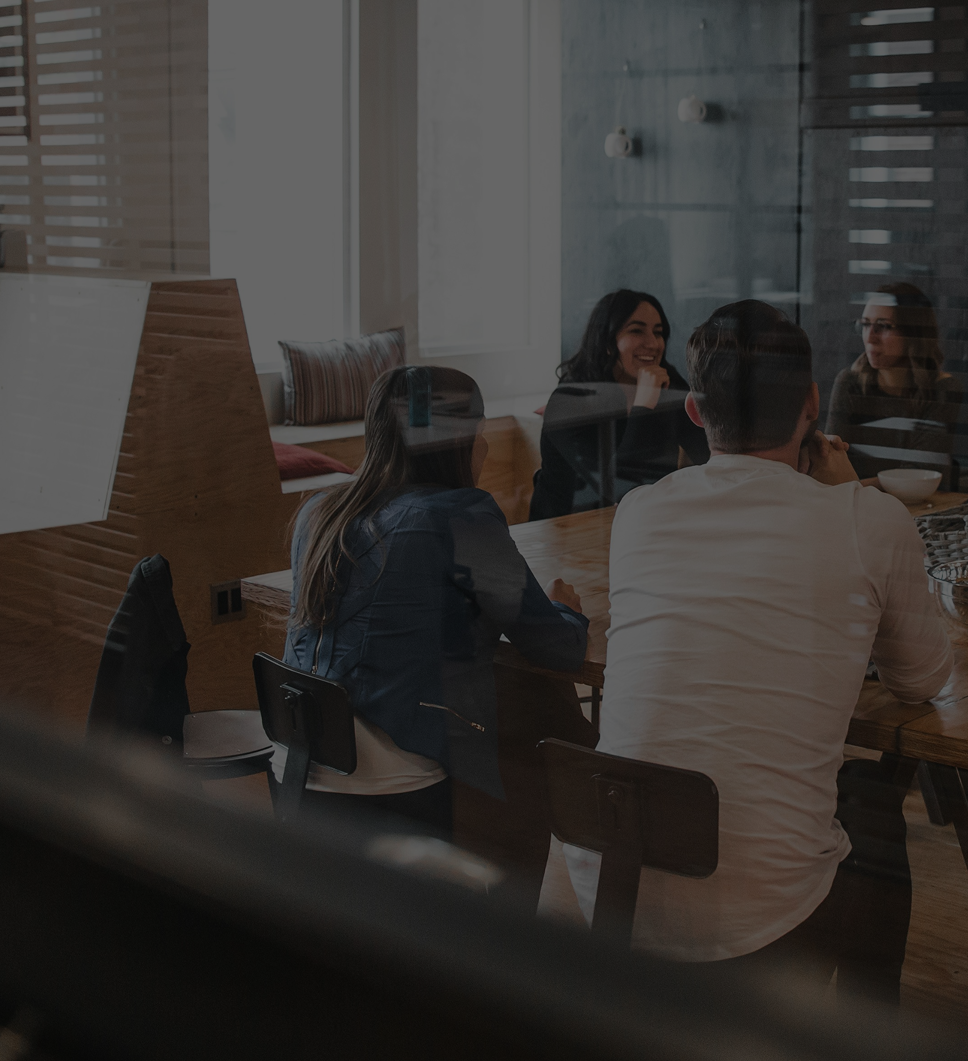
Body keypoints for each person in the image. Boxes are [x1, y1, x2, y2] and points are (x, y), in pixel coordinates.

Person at [558, 301, 951, 998]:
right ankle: (871, 1032)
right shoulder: (869, 518)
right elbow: (921, 680)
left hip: (608, 892)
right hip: (760, 921)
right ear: (810, 403)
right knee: (873, 809)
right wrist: (849, 494)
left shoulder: (640, 513)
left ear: (696, 412)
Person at [277, 365, 591, 839]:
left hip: (296, 769)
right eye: (480, 434)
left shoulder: (317, 514)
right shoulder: (462, 517)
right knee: (538, 724)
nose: (483, 447)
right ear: (459, 441)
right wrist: (567, 608)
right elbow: (556, 647)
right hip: (391, 786)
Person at [529, 290, 710, 519]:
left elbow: (710, 453)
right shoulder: (569, 401)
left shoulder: (668, 383)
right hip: (567, 531)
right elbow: (618, 489)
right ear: (606, 341)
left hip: (645, 521)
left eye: (658, 332)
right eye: (636, 331)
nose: (653, 344)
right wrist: (644, 405)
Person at [827, 282, 963, 482]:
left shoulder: (942, 389)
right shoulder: (850, 382)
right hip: (857, 504)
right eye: (865, 324)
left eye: (883, 326)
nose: (870, 337)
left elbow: (921, 473)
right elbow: (830, 460)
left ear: (912, 334)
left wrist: (852, 487)